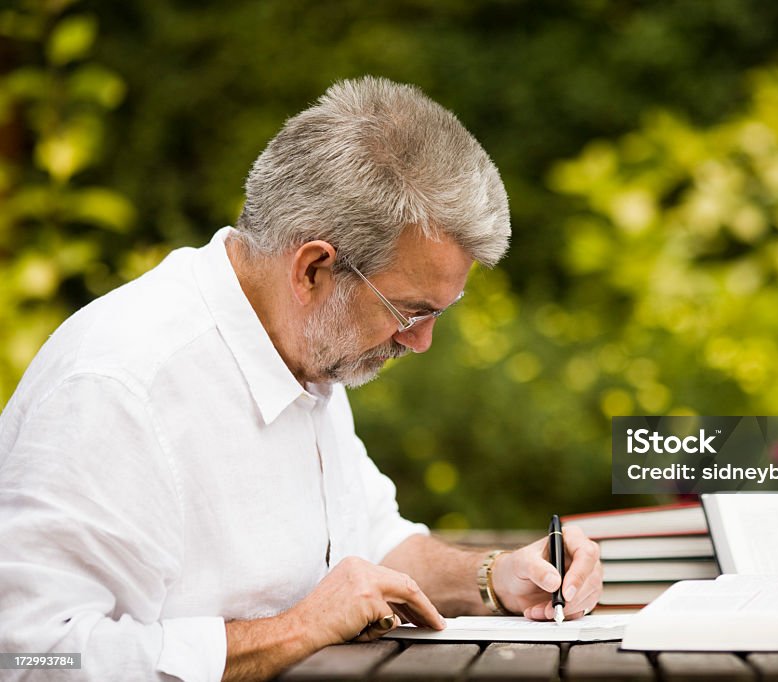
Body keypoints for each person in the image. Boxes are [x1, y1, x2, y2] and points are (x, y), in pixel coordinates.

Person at [0, 76, 603, 682]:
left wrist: (495, 577)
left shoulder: (303, 344)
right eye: (410, 312)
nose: (420, 342)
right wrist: (296, 630)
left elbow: (368, 543)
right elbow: (27, 657)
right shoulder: (120, 388)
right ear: (313, 269)